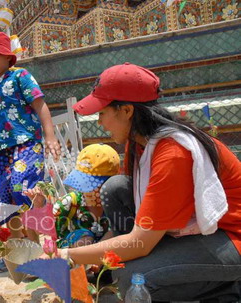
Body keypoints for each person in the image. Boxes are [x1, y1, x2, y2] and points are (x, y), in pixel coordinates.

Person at [51, 63, 241, 301]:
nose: (100, 122)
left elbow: (140, 242)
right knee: (116, 188)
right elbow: (140, 224)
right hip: (195, 231)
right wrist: (99, 255)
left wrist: (67, 254)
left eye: (102, 113)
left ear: (127, 111)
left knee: (135, 279)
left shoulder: (173, 154)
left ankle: (225, 290)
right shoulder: (140, 144)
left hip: (229, 238)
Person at [0, 31, 61, 238]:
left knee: (24, 188)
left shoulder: (20, 76)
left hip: (25, 144)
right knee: (3, 198)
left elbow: (40, 104)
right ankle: (19, 247)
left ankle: (42, 241)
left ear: (6, 55)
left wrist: (50, 136)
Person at [25, 144, 120, 247]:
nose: (86, 190)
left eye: (93, 185)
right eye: (83, 183)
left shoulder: (116, 203)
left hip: (105, 252)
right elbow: (44, 230)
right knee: (85, 238)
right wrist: (38, 206)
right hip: (72, 253)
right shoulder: (71, 201)